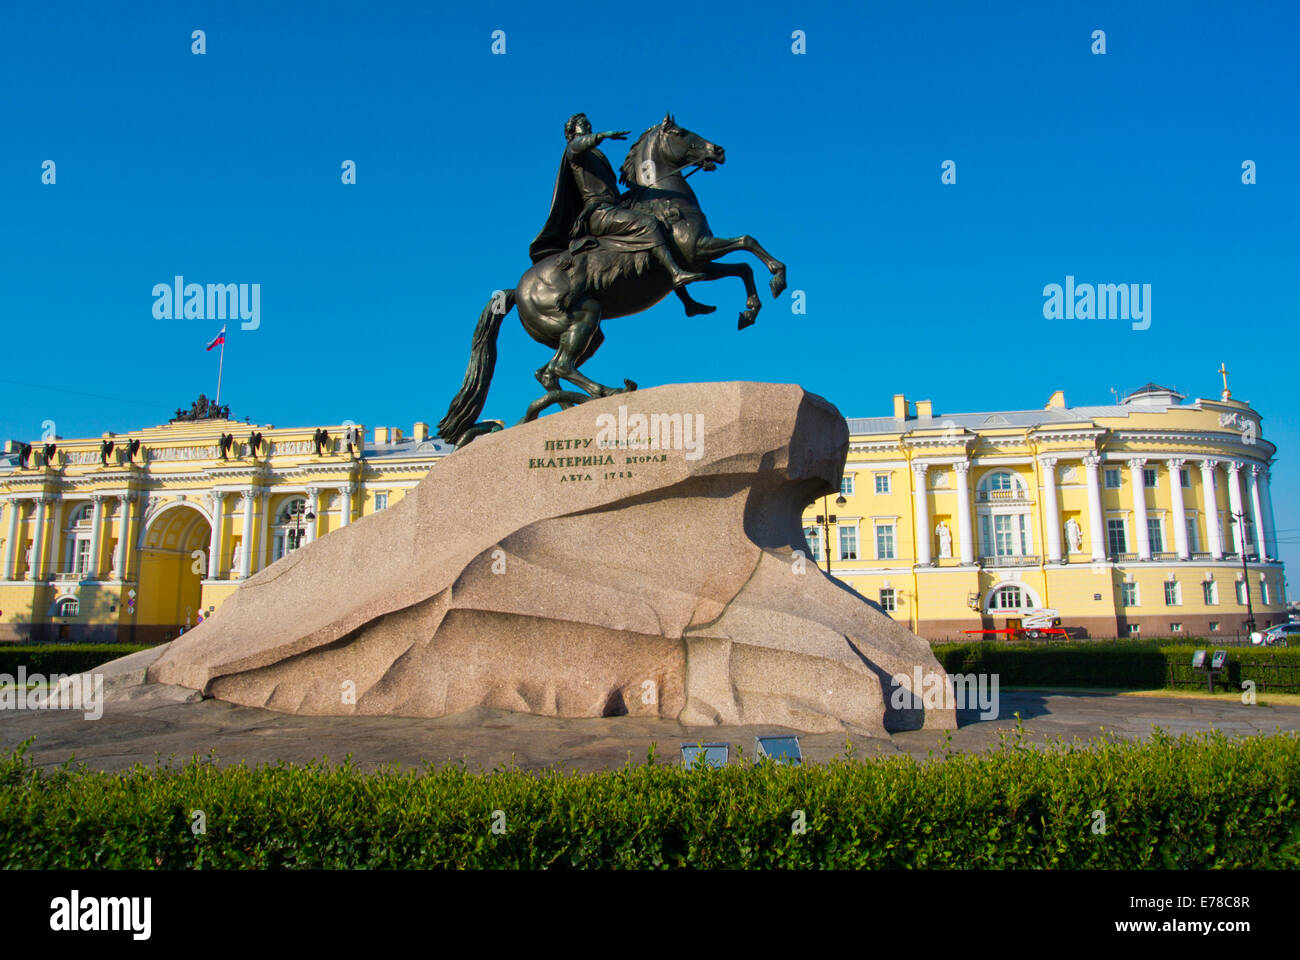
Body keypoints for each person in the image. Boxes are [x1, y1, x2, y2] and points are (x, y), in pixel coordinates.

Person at [530, 113, 705, 290]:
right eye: (583, 124)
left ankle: (687, 301)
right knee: (648, 224)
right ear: (572, 131)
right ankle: (675, 273)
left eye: (589, 123)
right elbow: (577, 146)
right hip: (599, 213)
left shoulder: (596, 155)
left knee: (662, 224)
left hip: (613, 206)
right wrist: (602, 136)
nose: (588, 126)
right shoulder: (575, 150)